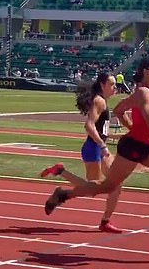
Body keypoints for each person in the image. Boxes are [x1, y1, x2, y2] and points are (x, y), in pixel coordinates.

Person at [43, 57, 149, 251]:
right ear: (146, 71)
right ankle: (63, 194)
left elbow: (120, 110)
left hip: (147, 146)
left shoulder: (146, 92)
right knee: (105, 187)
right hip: (133, 148)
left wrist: (132, 127)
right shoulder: (144, 93)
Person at [40, 72, 123, 233]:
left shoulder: (103, 102)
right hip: (93, 148)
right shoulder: (99, 101)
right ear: (102, 85)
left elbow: (102, 131)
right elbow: (89, 126)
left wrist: (123, 136)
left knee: (116, 184)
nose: (115, 88)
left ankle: (104, 221)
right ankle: (60, 172)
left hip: (99, 147)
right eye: (112, 84)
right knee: (93, 188)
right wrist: (102, 145)